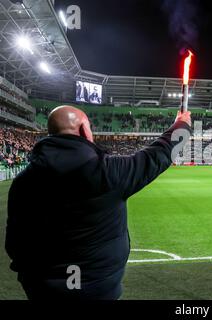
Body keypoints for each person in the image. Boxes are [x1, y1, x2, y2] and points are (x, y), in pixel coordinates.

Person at [5, 105, 191, 300]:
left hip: (42, 289)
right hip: (97, 289)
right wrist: (182, 126)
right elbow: (158, 156)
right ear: (85, 130)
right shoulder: (107, 172)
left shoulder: (23, 182)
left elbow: (14, 243)